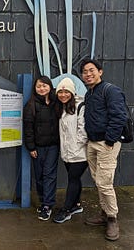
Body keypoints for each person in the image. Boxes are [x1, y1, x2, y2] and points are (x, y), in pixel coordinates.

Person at [80, 58, 127, 241]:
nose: (88, 74)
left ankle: (112, 218)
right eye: (84, 71)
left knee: (104, 182)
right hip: (92, 143)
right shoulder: (89, 93)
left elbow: (119, 116)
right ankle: (103, 212)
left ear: (100, 72)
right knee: (98, 180)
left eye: (91, 70)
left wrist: (109, 140)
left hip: (106, 144)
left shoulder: (110, 90)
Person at [23, 76, 60, 221]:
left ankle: (47, 205)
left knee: (49, 175)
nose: (42, 88)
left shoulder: (57, 102)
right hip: (38, 147)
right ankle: (43, 200)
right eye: (39, 86)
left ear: (50, 86)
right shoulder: (31, 105)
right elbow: (28, 128)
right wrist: (31, 147)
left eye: (45, 85)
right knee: (39, 176)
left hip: (53, 146)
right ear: (35, 88)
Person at [52, 77, 88, 224]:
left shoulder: (81, 106)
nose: (63, 94)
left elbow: (83, 131)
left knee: (72, 179)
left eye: (66, 91)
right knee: (75, 178)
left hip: (79, 153)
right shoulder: (62, 107)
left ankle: (66, 210)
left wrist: (75, 147)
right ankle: (76, 205)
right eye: (60, 92)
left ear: (72, 93)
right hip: (67, 152)